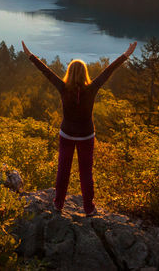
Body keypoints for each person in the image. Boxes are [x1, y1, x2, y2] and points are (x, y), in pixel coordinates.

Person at [21, 40, 137, 216]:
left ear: (69, 72)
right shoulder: (92, 89)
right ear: (85, 73)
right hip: (86, 136)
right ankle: (89, 208)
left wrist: (30, 56)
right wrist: (126, 55)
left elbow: (46, 71)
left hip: (66, 134)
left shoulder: (62, 87)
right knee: (86, 173)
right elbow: (108, 71)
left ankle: (58, 204)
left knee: (63, 170)